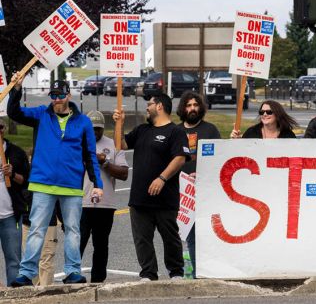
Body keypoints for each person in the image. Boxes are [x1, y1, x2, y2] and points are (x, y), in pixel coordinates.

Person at [8, 75, 103, 287]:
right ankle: (26, 273)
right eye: (53, 95)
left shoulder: (83, 122)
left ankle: (72, 272)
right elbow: (14, 113)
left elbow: (90, 156)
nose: (56, 99)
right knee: (37, 229)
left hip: (71, 186)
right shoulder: (41, 114)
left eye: (60, 95)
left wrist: (98, 185)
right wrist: (17, 88)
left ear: (69, 95)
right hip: (42, 183)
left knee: (73, 230)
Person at [113, 93, 189, 281]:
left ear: (160, 106)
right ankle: (148, 273)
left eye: (150, 104)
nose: (147, 107)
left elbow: (179, 158)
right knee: (142, 239)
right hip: (140, 198)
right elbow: (119, 145)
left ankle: (176, 272)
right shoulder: (142, 130)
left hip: (165, 198)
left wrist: (162, 178)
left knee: (170, 237)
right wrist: (119, 123)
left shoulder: (176, 132)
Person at [80, 111, 129, 283]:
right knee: (77, 244)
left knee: (101, 246)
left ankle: (97, 281)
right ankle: (72, 277)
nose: (95, 132)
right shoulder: (78, 143)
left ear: (103, 128)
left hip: (105, 205)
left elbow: (124, 174)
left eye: (98, 129)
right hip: (82, 203)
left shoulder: (113, 144)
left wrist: (105, 162)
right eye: (92, 128)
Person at [177, 91, 221, 278]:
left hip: (207, 190)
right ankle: (195, 275)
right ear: (183, 108)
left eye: (195, 105)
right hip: (183, 193)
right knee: (190, 236)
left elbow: (221, 159)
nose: (192, 108)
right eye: (188, 105)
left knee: (210, 236)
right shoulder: (175, 131)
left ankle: (211, 272)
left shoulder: (211, 130)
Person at [0, 118, 30, 286]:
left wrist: (12, 174)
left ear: (3, 129)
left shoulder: (16, 153)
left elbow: (25, 181)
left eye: (0, 127)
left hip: (10, 216)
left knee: (14, 260)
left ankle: (14, 295)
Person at [231, 100, 298, 139]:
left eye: (269, 112)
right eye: (262, 112)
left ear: (277, 114)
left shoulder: (288, 135)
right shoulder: (251, 132)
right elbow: (242, 152)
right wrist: (237, 141)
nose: (264, 114)